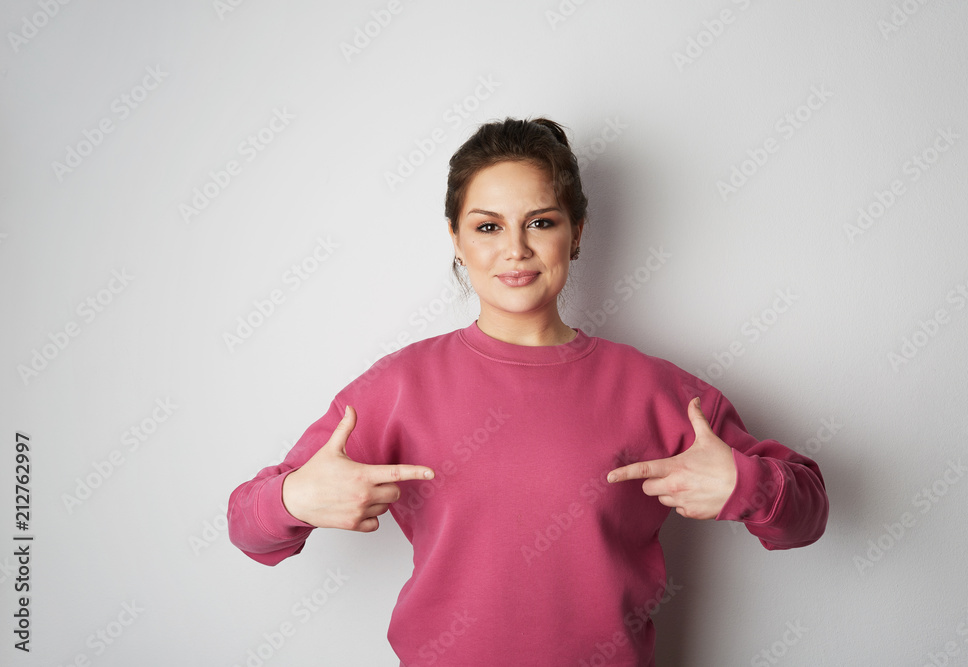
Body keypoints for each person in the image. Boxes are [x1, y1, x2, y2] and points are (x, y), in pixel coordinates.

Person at [227, 117, 829, 666]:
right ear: (456, 239)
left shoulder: (658, 390)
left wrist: (748, 486)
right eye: (488, 226)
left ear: (577, 232)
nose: (515, 249)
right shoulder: (398, 387)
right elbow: (247, 529)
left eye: (540, 222)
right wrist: (293, 500)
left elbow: (807, 515)